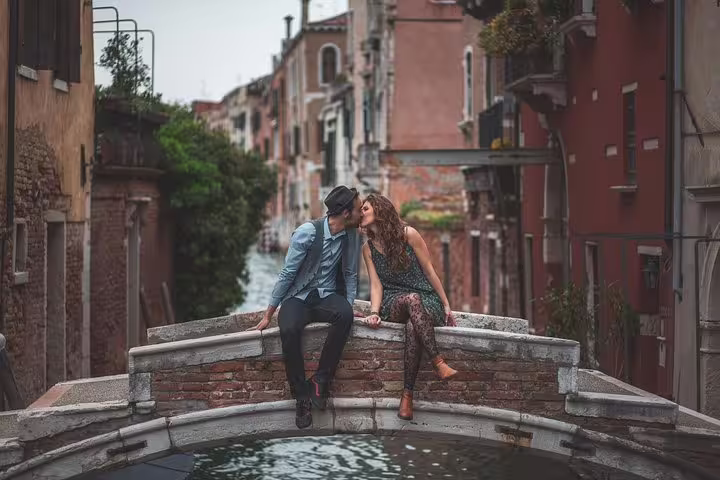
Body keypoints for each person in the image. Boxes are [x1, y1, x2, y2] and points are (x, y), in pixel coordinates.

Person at [252, 186, 363, 429]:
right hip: (298, 297)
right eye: (358, 209)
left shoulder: (353, 235)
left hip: (326, 296)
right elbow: (287, 273)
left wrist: (350, 303)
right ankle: (301, 396)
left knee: (344, 316)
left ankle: (320, 380)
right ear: (345, 212)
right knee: (289, 329)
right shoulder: (306, 233)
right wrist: (269, 313)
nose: (361, 214)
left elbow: (351, 273)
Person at [360, 193, 458, 421]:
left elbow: (429, 271)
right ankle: (438, 362)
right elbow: (376, 285)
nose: (361, 213)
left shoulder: (409, 235)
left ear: (379, 209)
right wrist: (374, 312)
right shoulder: (368, 248)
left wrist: (445, 305)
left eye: (365, 208)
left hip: (426, 299)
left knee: (414, 327)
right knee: (411, 300)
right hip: (395, 301)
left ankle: (407, 395)